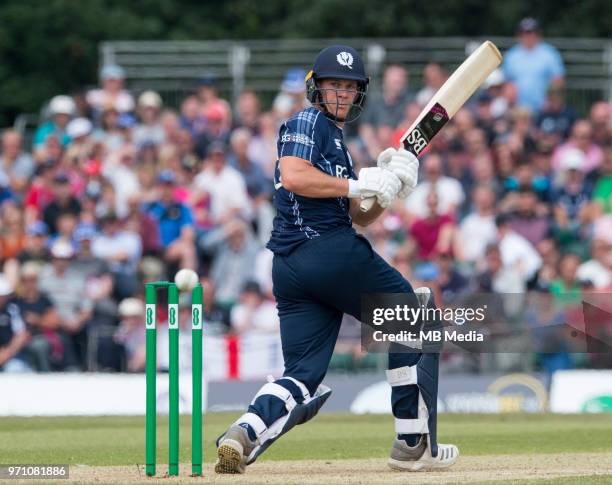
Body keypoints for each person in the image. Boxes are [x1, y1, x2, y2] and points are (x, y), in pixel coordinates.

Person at [215, 45, 457, 475]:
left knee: (303, 374)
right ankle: (412, 441)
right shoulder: (307, 121)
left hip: (293, 271)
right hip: (325, 252)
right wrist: (357, 182)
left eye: (350, 87)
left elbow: (358, 214)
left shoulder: (338, 146)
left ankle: (246, 430)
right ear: (316, 88)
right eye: (334, 86)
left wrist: (389, 188)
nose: (342, 94)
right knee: (414, 317)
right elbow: (294, 175)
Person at [502, 18, 565, 114]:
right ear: (519, 35)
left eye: (531, 32)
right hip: (518, 110)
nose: (528, 36)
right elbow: (507, 82)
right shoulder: (511, 55)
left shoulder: (549, 53)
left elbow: (557, 80)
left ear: (538, 34)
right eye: (525, 32)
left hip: (544, 108)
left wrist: (552, 100)